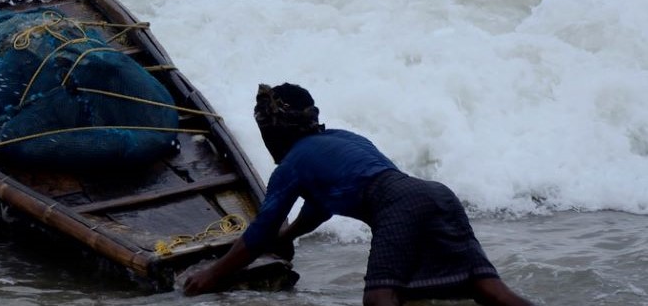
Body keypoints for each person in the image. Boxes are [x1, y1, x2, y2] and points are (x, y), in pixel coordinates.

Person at [182, 83, 535, 306]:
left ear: (272, 130)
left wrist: (212, 274)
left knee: (380, 297)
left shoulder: (291, 164)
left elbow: (258, 234)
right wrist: (289, 236)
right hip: (437, 195)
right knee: (485, 286)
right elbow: (322, 204)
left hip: (396, 204)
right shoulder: (344, 138)